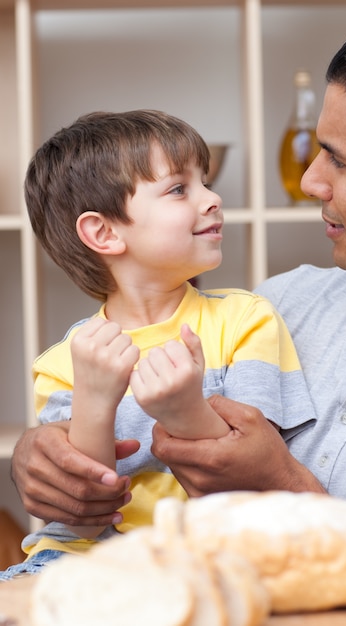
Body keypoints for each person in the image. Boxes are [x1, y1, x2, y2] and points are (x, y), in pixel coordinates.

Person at [8, 10, 346, 615]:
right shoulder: (287, 301)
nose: (311, 181)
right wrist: (46, 451)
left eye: (338, 161)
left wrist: (281, 487)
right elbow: (88, 471)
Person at [0, 110, 306, 577]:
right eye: (179, 189)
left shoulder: (245, 318)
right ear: (103, 232)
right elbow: (85, 510)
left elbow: (247, 475)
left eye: (203, 181)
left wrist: (187, 412)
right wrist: (97, 402)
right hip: (85, 558)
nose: (213, 199)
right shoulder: (65, 363)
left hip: (210, 550)